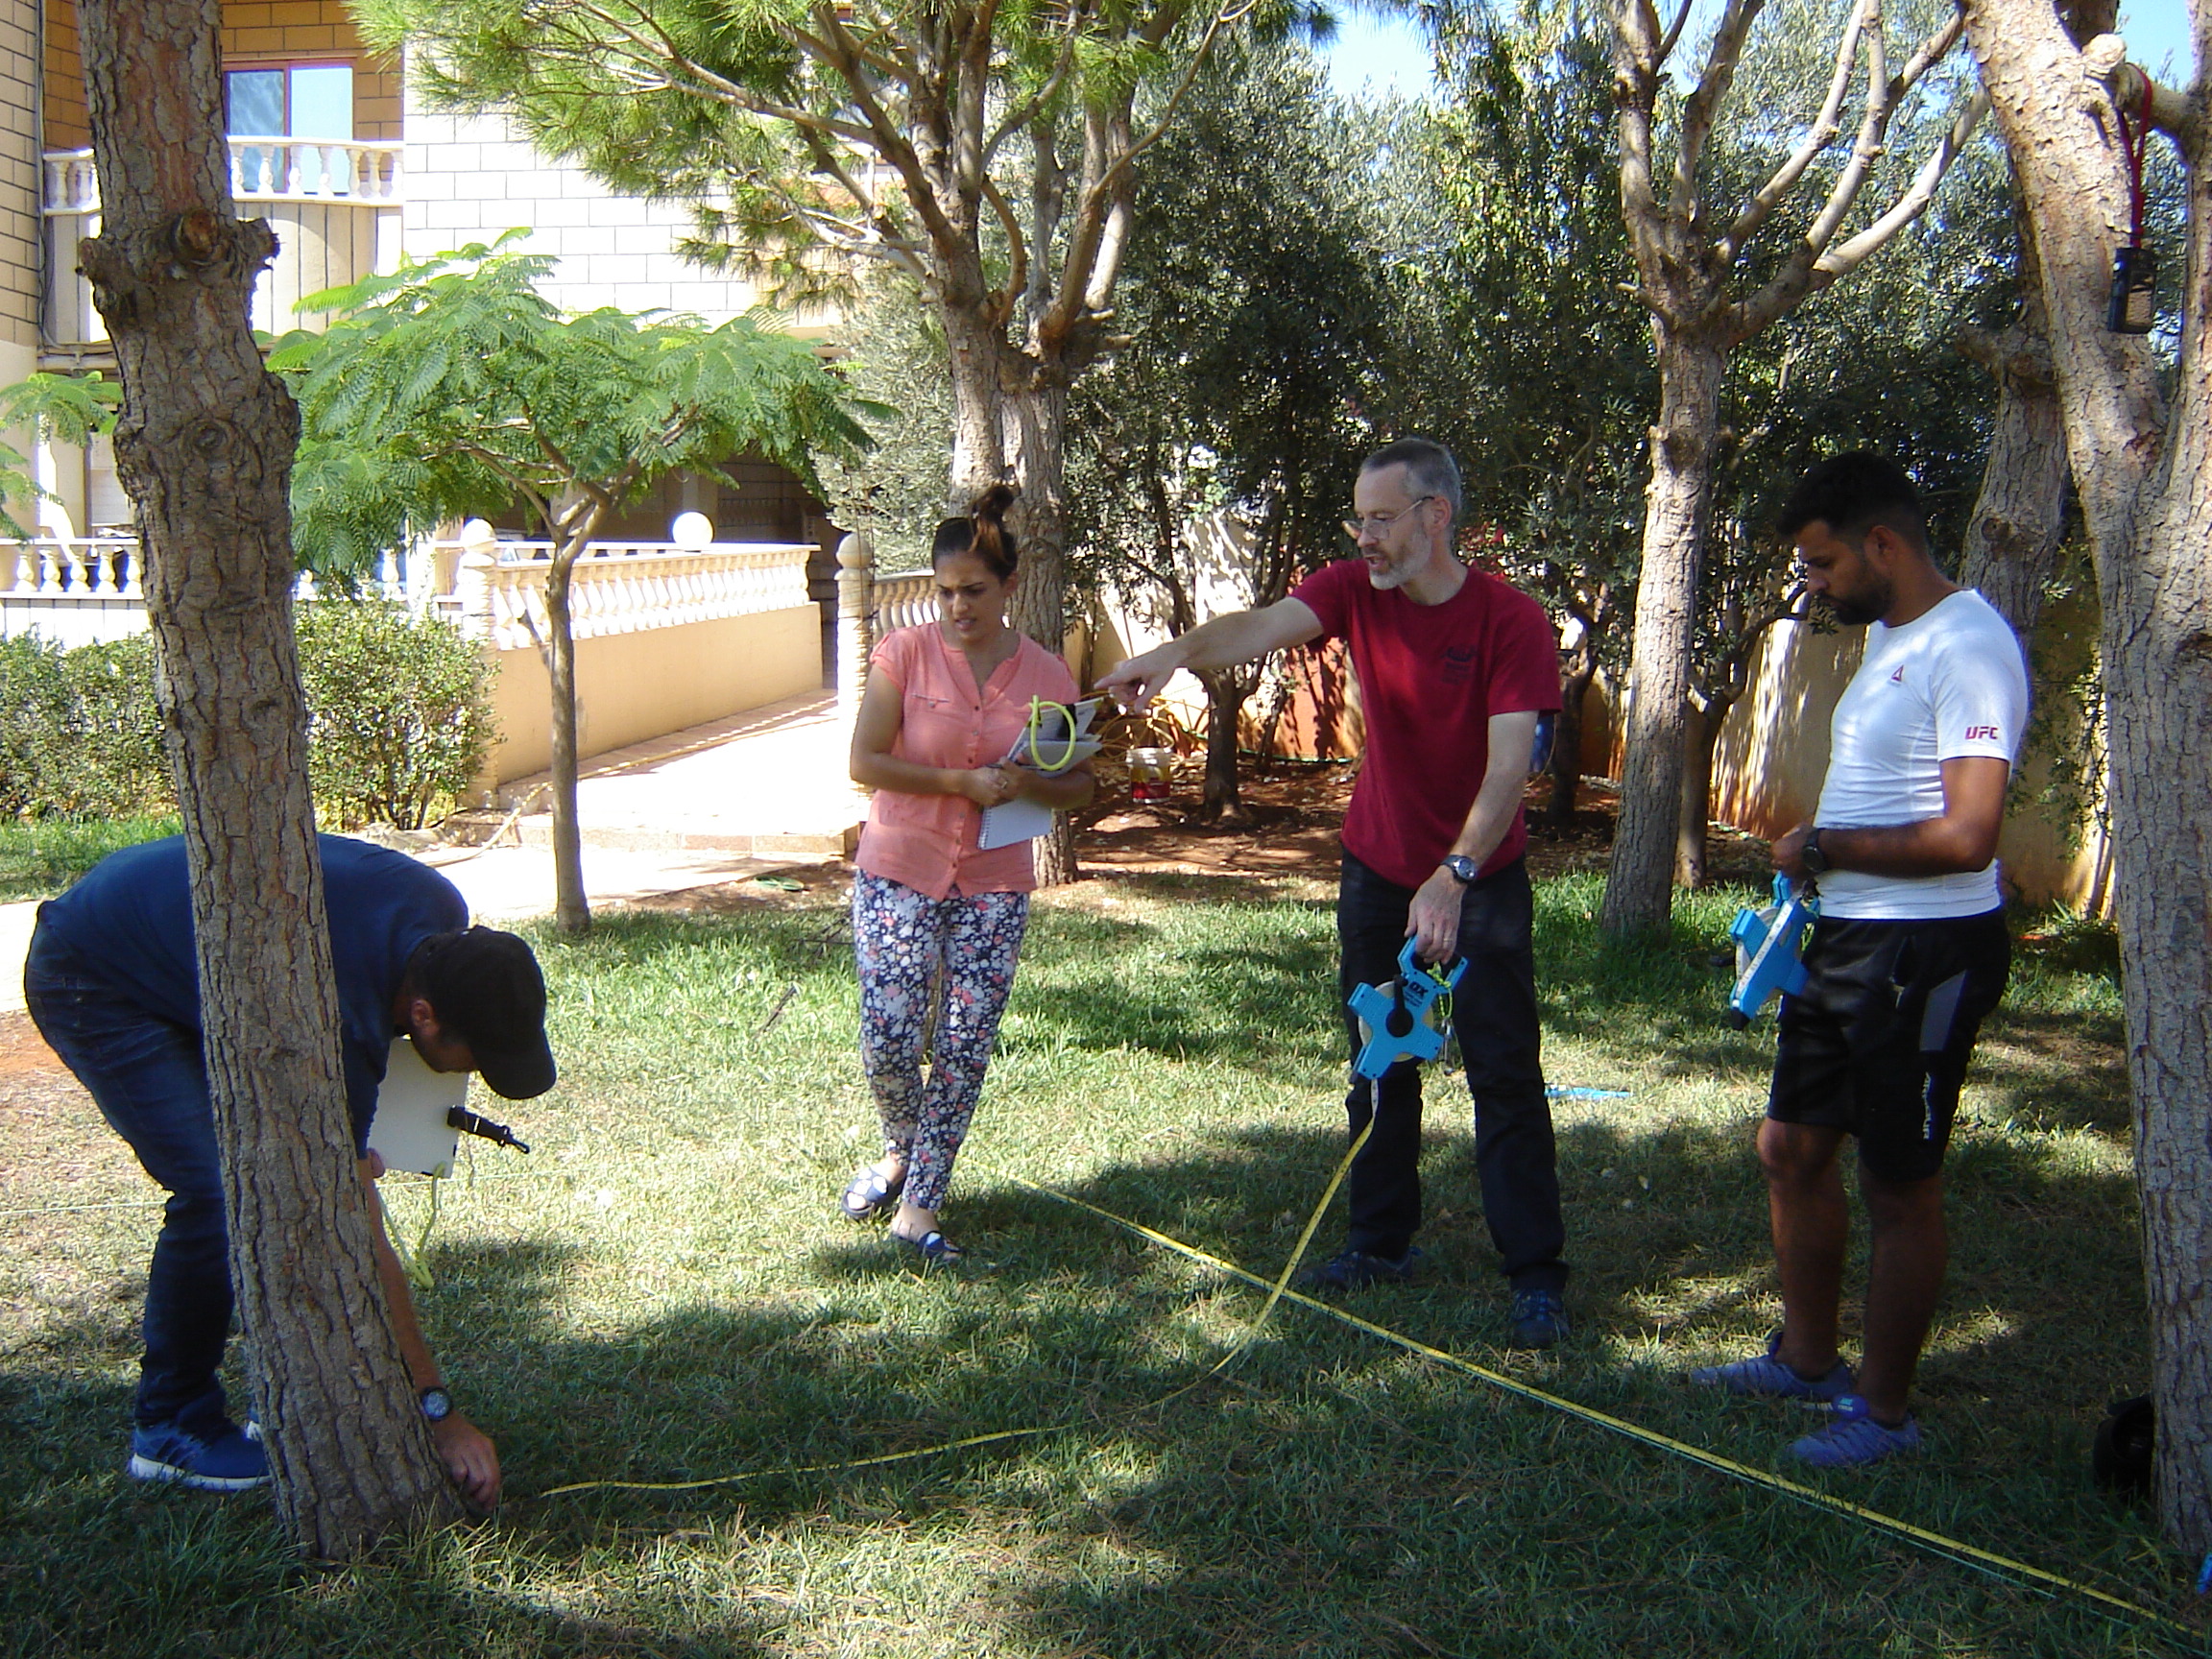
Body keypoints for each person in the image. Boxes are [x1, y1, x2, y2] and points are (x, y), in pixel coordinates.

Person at [1095, 438, 1571, 1347]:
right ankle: (1380, 1244)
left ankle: (1536, 1275)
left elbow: (1510, 767)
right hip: (1378, 870)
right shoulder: (1355, 590)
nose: (1365, 537)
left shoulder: (1510, 620)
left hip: (1478, 879)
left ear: (1436, 515)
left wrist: (1454, 875)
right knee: (1379, 1060)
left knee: (1505, 1073)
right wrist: (1169, 654)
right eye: (1359, 520)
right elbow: (1256, 627)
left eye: (1381, 519)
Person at [25, 833, 557, 1503]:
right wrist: (438, 1413)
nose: (475, 1074)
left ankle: (288, 1397)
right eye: (477, 1059)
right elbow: (358, 1232)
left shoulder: (438, 916)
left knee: (297, 1174)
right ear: (422, 1016)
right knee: (220, 1190)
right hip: (96, 970)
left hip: (193, 949)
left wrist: (340, 1148)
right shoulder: (332, 1012)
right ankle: (169, 1426)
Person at [1691, 451, 2026, 1468]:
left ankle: (1882, 1413)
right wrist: (1822, 868)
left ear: (1883, 543)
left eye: (1825, 562)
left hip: (1925, 952)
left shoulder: (1970, 644)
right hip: (1843, 938)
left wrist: (1828, 847)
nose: (1816, 584)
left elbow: (1969, 835)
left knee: (1898, 1180)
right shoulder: (1888, 635)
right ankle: (1805, 1361)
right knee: (1789, 1148)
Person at [842, 485, 1095, 1264]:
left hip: (993, 884)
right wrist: (961, 782)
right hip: (899, 868)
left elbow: (1079, 786)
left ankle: (920, 1202)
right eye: (946, 590)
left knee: (964, 1043)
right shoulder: (904, 653)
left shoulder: (1046, 674)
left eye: (975, 591)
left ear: (1009, 587)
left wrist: (1028, 783)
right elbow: (864, 761)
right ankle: (901, 1147)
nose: (958, 606)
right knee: (889, 1033)